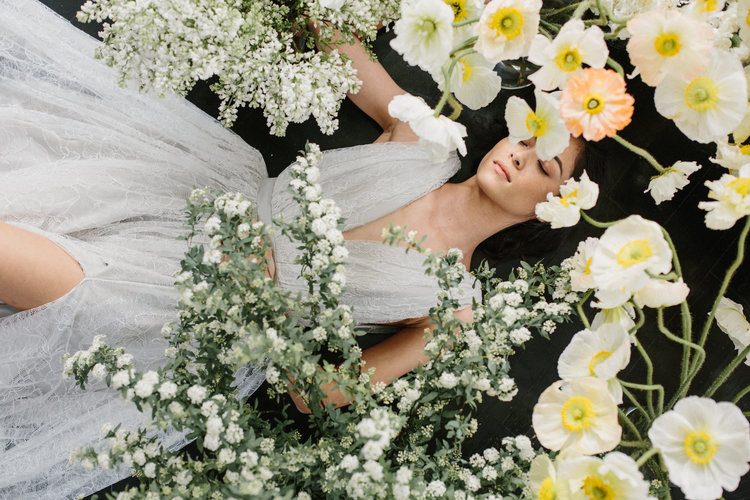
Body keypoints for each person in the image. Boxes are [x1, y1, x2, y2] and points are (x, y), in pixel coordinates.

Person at [0, 0, 587, 497]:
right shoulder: (421, 133)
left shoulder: (452, 309)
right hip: (191, 188)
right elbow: (320, 21)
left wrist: (264, 309)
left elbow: (317, 394)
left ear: (554, 209)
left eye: (547, 165)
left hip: (193, 304)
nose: (523, 154)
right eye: (530, 135)